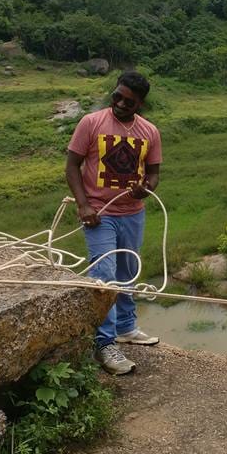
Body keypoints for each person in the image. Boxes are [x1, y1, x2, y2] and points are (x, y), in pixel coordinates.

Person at [66, 71, 162, 375]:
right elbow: (71, 165)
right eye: (117, 96)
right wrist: (83, 204)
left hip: (133, 212)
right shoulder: (91, 123)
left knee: (127, 271)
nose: (120, 103)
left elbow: (154, 173)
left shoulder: (150, 132)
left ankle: (126, 326)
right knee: (104, 275)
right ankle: (104, 343)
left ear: (140, 103)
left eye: (128, 101)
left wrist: (146, 187)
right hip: (99, 213)